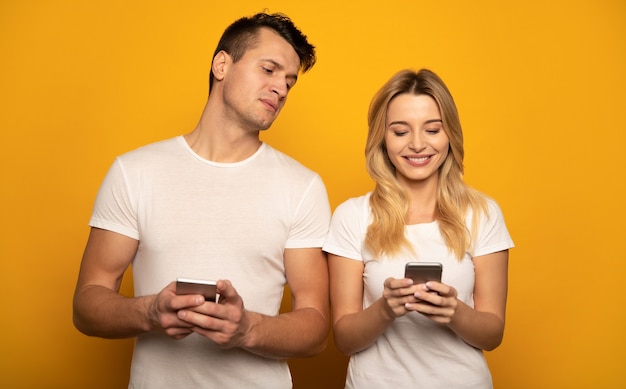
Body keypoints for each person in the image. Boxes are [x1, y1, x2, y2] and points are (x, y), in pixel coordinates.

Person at [72, 12, 331, 389]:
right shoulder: (135, 171)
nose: (281, 88)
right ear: (222, 64)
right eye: (269, 70)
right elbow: (86, 304)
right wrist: (150, 311)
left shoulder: (302, 186)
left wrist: (247, 329)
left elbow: (316, 327)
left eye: (289, 81)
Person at [323, 69, 514, 388]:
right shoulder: (352, 216)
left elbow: (493, 333)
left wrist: (454, 312)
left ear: (449, 133)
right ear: (382, 139)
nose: (417, 144)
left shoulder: (483, 214)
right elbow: (344, 338)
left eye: (432, 129)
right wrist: (385, 309)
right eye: (400, 132)